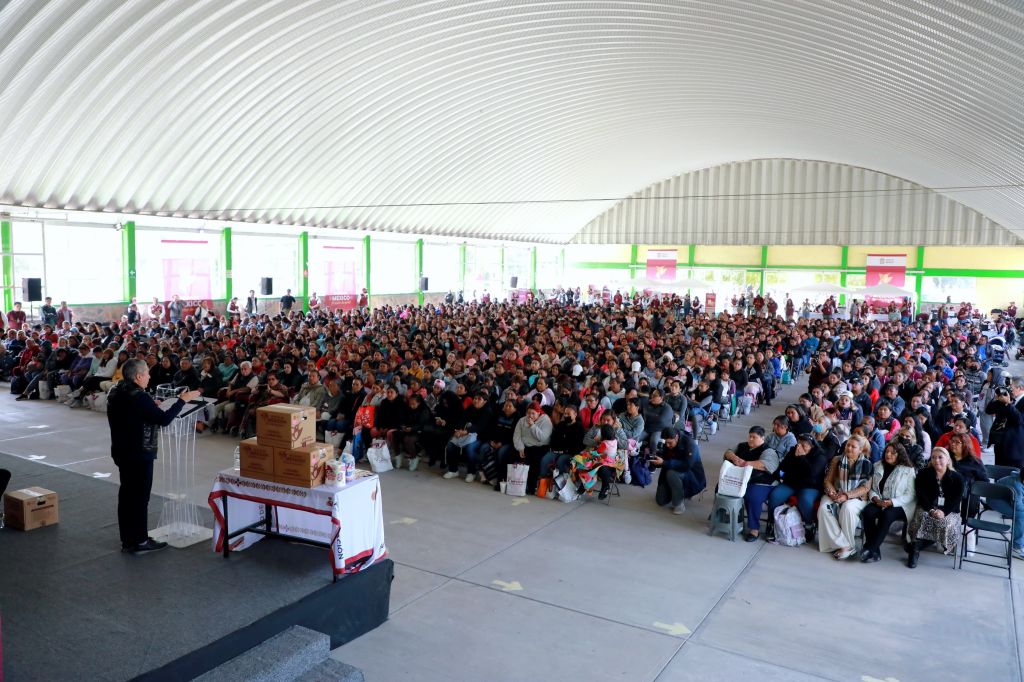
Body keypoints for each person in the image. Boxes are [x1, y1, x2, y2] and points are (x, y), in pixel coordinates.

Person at [107, 359, 200, 553]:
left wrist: (152, 404)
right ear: (138, 376)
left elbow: (135, 413)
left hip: (121, 450)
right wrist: (182, 401)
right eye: (147, 373)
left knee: (126, 496)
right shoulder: (140, 397)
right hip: (139, 453)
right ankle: (140, 541)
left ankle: (128, 539)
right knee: (140, 498)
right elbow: (164, 420)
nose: (150, 376)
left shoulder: (116, 390)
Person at [817, 434, 874, 560]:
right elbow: (828, 480)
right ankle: (845, 545)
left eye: (853, 447)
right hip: (837, 493)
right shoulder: (837, 459)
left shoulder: (867, 464)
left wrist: (846, 496)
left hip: (857, 498)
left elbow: (865, 488)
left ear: (860, 450)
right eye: (848, 445)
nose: (849, 448)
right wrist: (832, 493)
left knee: (847, 507)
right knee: (823, 508)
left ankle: (846, 545)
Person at [907, 447, 964, 568]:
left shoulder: (957, 478)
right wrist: (931, 510)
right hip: (927, 507)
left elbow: (956, 499)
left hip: (949, 510)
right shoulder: (923, 474)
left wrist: (944, 512)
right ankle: (915, 550)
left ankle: (916, 547)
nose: (936, 460)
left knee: (944, 522)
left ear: (948, 460)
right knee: (922, 517)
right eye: (933, 457)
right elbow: (921, 494)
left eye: (940, 457)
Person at [859, 442, 917, 563]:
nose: (888, 454)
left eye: (892, 453)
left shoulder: (908, 470)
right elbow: (872, 488)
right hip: (879, 500)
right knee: (868, 512)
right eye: (887, 452)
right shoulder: (877, 465)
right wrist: (875, 498)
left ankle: (870, 548)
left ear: (900, 455)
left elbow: (910, 494)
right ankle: (875, 552)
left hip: (900, 504)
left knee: (887, 515)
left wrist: (891, 502)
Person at [722, 426, 781, 542]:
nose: (751, 439)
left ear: (762, 438)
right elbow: (727, 452)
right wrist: (734, 457)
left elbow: (768, 465)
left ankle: (754, 529)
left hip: (763, 482)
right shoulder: (742, 446)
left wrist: (746, 463)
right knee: (721, 487)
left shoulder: (768, 450)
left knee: (752, 496)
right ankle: (721, 516)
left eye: (754, 437)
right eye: (750, 436)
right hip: (742, 479)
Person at [765, 434, 827, 541]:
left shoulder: (819, 456)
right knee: (775, 496)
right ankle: (771, 523)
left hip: (810, 485)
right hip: (792, 483)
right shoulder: (793, 451)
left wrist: (802, 457)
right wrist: (782, 476)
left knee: (804, 499)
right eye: (799, 444)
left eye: (804, 445)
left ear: (811, 446)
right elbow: (782, 468)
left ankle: (808, 524)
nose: (800, 448)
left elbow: (812, 473)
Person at [651, 427, 705, 513]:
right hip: (675, 472)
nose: (667, 445)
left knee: (671, 473)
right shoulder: (667, 444)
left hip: (693, 476)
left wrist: (664, 462)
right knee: (660, 501)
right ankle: (678, 492)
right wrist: (656, 460)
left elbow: (687, 465)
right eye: (666, 443)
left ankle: (678, 504)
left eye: (670, 443)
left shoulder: (690, 444)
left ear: (676, 437)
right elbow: (664, 460)